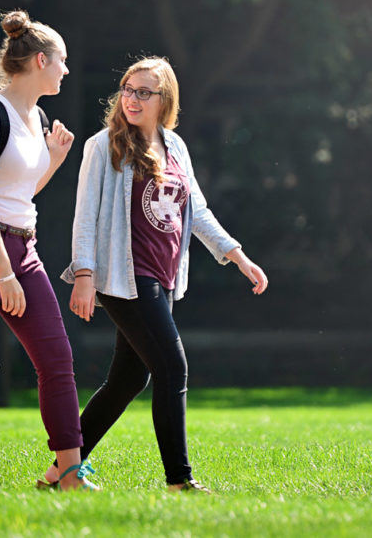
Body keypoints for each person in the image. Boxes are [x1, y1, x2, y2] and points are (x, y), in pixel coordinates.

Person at [49, 57, 269, 493]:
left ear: (164, 99)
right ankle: (179, 481)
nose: (131, 99)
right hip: (125, 276)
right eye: (128, 90)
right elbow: (85, 217)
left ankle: (62, 470)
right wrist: (85, 274)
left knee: (129, 379)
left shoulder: (175, 147)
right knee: (172, 367)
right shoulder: (103, 145)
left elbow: (197, 210)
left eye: (143, 92)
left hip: (165, 275)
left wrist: (238, 255)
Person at [0, 10, 96, 491]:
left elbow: (20, 194)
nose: (66, 70)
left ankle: (68, 470)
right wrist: (2, 273)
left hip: (22, 248)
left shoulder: (37, 118)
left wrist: (52, 161)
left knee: (55, 358)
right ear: (38, 60)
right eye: (62, 61)